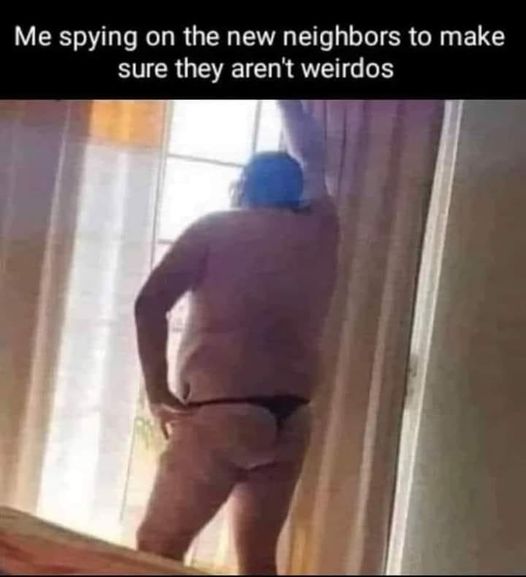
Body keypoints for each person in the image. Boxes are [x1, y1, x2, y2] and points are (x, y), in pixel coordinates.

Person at [134, 100, 339, 575]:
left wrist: (157, 391)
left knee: (154, 551)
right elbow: (313, 155)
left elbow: (150, 304)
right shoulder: (321, 229)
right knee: (257, 561)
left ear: (243, 187)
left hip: (223, 414)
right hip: (290, 420)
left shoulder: (214, 230)